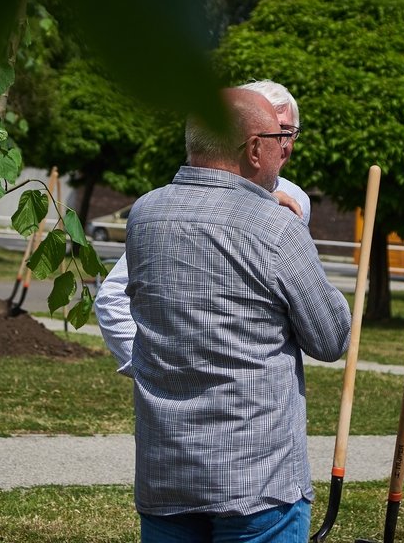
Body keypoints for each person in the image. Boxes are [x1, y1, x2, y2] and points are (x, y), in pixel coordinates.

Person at [123, 88, 350, 543]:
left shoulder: (144, 215)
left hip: (166, 469)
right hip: (256, 482)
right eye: (280, 137)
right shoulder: (275, 227)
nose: (284, 149)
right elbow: (330, 337)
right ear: (253, 148)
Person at [95, 79, 309, 373]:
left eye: (285, 131)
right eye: (265, 129)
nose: (277, 143)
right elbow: (113, 298)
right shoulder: (182, 203)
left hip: (254, 398)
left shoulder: (295, 202)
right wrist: (151, 370)